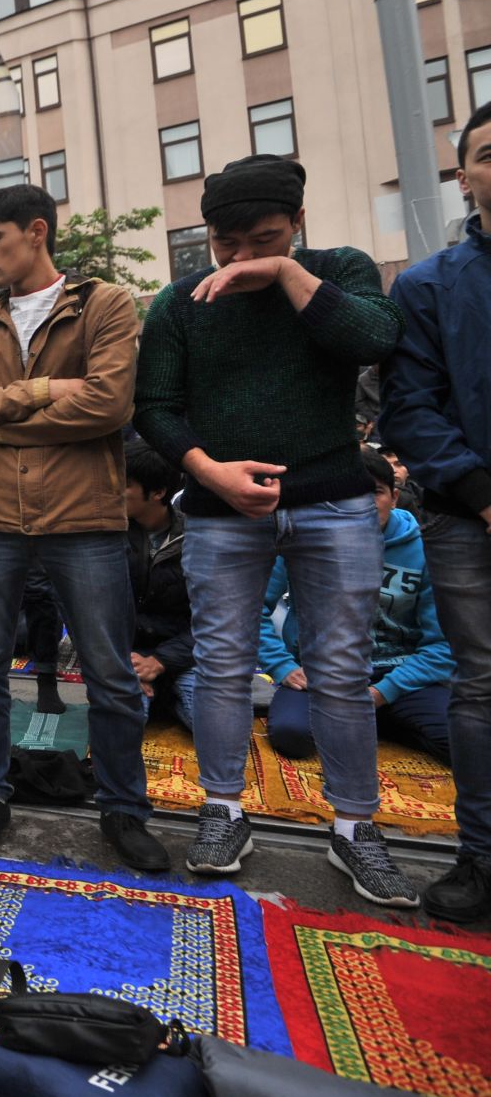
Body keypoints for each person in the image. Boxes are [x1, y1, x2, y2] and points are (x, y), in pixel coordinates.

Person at [136, 153, 417, 907]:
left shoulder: (340, 269)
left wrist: (289, 278)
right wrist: (208, 470)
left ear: (297, 220)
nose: (240, 256)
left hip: (334, 501)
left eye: (262, 237)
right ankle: (225, 810)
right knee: (224, 665)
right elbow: (154, 405)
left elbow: (373, 337)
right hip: (223, 509)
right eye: (225, 242)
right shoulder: (181, 302)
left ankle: (356, 825)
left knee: (342, 669)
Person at [0, 185, 167, 872]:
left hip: (83, 517)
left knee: (108, 670)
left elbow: (107, 404)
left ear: (37, 233)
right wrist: (39, 390)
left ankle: (124, 808)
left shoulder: (105, 303)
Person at [380, 100, 491, 922]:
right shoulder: (428, 286)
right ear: (466, 176)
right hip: (467, 514)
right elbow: (411, 407)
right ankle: (481, 859)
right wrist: (481, 493)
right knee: (480, 687)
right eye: (488, 152)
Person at [260, 449, 453, 763]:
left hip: (400, 675)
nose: (362, 503)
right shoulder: (300, 540)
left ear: (393, 496)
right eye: (350, 493)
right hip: (319, 673)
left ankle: (377, 717)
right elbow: (255, 607)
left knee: (465, 742)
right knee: (291, 736)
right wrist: (282, 665)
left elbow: (443, 644)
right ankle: (368, 721)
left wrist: (382, 693)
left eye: (375, 492)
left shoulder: (426, 549)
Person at [123, 442, 198, 729]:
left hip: (184, 654)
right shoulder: (108, 535)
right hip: (126, 655)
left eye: (125, 485)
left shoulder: (196, 539)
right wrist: (121, 662)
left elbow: (215, 618)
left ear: (157, 492)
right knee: (125, 723)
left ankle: (167, 693)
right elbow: (85, 608)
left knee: (210, 724)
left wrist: (161, 661)